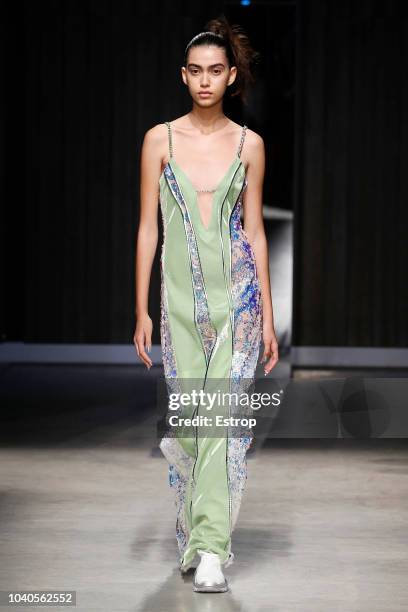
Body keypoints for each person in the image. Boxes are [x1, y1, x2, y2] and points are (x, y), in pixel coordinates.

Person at [134, 15, 278, 593]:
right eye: (195, 71)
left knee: (217, 420)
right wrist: (140, 308)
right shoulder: (159, 140)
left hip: (237, 304)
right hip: (176, 308)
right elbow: (148, 228)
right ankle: (195, 535)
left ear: (232, 76)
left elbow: (256, 232)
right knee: (194, 425)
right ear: (183, 76)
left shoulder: (250, 145)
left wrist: (267, 314)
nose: (204, 81)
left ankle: (212, 548)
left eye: (215, 71)